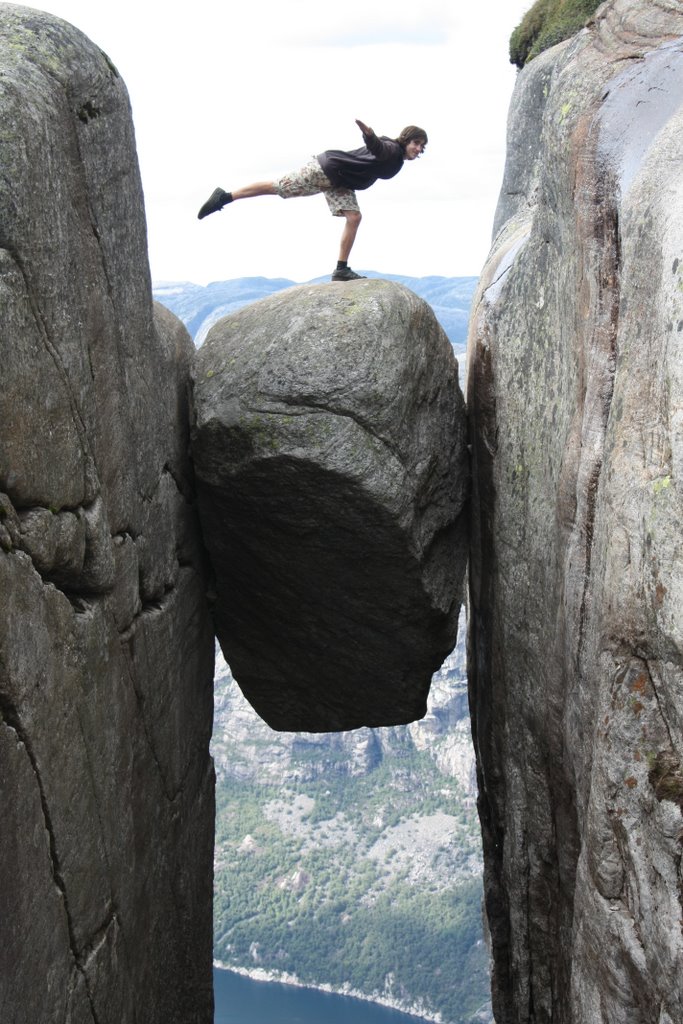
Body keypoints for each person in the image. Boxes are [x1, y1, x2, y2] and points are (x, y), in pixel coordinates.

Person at [197, 120, 428, 281]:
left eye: (421, 146)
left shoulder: (395, 155)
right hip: (326, 170)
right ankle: (224, 196)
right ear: (406, 139)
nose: (418, 149)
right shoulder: (393, 150)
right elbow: (378, 148)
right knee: (278, 187)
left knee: (354, 217)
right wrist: (369, 134)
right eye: (416, 143)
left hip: (340, 181)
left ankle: (341, 270)